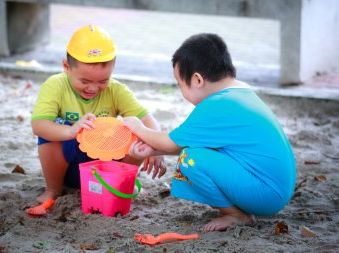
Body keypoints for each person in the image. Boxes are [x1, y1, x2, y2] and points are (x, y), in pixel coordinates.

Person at [123, 33, 296, 232]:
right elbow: (197, 143)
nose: (181, 91)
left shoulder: (217, 104)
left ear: (196, 79)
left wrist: (139, 128)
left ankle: (236, 215)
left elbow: (172, 143)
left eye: (180, 84)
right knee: (194, 154)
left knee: (190, 159)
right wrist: (152, 151)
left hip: (265, 194)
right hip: (274, 189)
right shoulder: (239, 92)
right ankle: (238, 210)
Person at [31, 25, 166, 203]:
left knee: (135, 130)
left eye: (103, 81)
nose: (93, 88)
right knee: (53, 131)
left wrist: (156, 148)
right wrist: (70, 131)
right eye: (84, 81)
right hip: (69, 169)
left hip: (108, 170)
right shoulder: (55, 85)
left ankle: (121, 183)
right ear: (66, 66)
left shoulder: (116, 90)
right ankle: (53, 189)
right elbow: (38, 126)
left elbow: (146, 119)